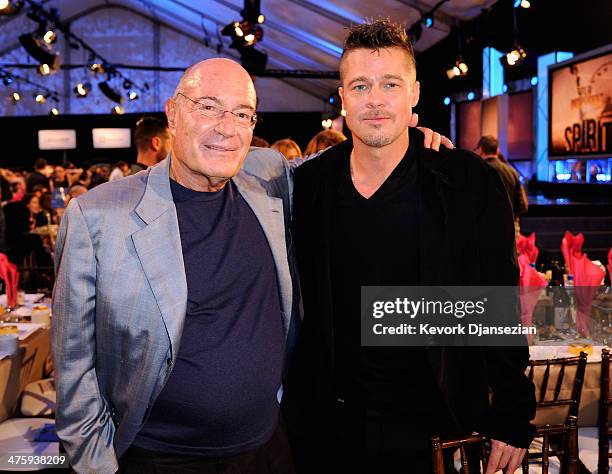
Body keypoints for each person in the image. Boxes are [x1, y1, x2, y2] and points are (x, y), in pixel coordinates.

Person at [281, 19, 535, 474]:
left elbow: (496, 301)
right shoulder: (309, 184)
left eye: (390, 84)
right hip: (325, 426)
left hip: (434, 426)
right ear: (342, 99)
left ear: (414, 94)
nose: (375, 99)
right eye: (360, 85)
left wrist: (514, 414)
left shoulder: (467, 183)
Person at [52, 58, 301, 474]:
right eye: (208, 107)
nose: (227, 127)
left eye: (242, 113)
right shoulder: (97, 217)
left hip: (268, 448)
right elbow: (74, 368)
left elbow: (337, 166)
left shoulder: (268, 180)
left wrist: (407, 139)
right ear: (172, 114)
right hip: (160, 458)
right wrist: (96, 465)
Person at [475, 135, 528, 238]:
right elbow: (523, 206)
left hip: (485, 232)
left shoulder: (477, 171)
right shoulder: (512, 172)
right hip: (511, 230)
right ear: (497, 150)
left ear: (481, 149)